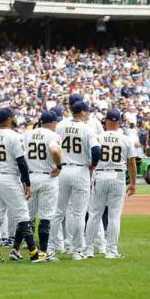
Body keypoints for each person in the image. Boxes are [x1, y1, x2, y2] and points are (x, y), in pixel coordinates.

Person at [0, 107, 45, 263]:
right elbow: (21, 162)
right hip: (9, 178)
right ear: (9, 119)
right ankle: (33, 253)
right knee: (23, 214)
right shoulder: (14, 136)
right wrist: (27, 183)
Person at [49, 101, 101, 260]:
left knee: (57, 211)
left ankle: (50, 246)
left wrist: (56, 165)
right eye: (87, 111)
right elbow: (97, 149)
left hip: (63, 169)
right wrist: (93, 164)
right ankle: (77, 250)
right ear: (82, 112)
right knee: (78, 213)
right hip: (80, 170)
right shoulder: (87, 129)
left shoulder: (60, 126)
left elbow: (53, 147)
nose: (88, 113)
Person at [83, 109, 136, 259]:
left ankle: (88, 249)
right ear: (119, 122)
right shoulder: (126, 139)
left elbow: (90, 159)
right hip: (118, 175)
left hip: (100, 174)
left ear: (106, 121)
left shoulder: (98, 137)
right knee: (114, 216)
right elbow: (132, 163)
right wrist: (133, 184)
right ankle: (111, 251)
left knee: (94, 214)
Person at [23, 110, 62, 261]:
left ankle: (30, 249)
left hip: (30, 176)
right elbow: (54, 150)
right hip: (47, 176)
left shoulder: (27, 134)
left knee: (28, 216)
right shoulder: (52, 135)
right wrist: (59, 166)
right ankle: (44, 251)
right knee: (46, 216)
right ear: (52, 122)